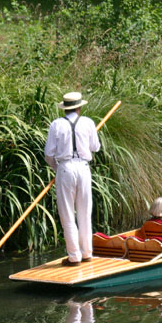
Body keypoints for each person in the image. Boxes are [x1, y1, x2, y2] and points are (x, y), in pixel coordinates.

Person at [45, 92, 100, 267]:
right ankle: (87, 253)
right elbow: (95, 147)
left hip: (65, 168)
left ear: (65, 108)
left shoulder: (56, 124)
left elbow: (48, 154)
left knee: (67, 213)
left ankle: (74, 256)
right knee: (84, 211)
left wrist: (57, 169)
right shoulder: (88, 122)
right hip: (83, 168)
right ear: (79, 107)